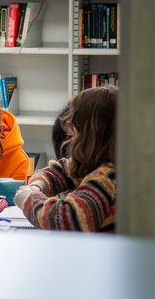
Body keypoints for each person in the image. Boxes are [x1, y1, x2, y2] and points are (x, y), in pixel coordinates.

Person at [14, 86, 117, 232]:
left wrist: (28, 199)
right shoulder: (105, 166)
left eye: (73, 130)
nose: (70, 136)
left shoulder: (107, 179)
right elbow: (63, 169)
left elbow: (63, 219)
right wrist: (38, 185)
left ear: (89, 135)